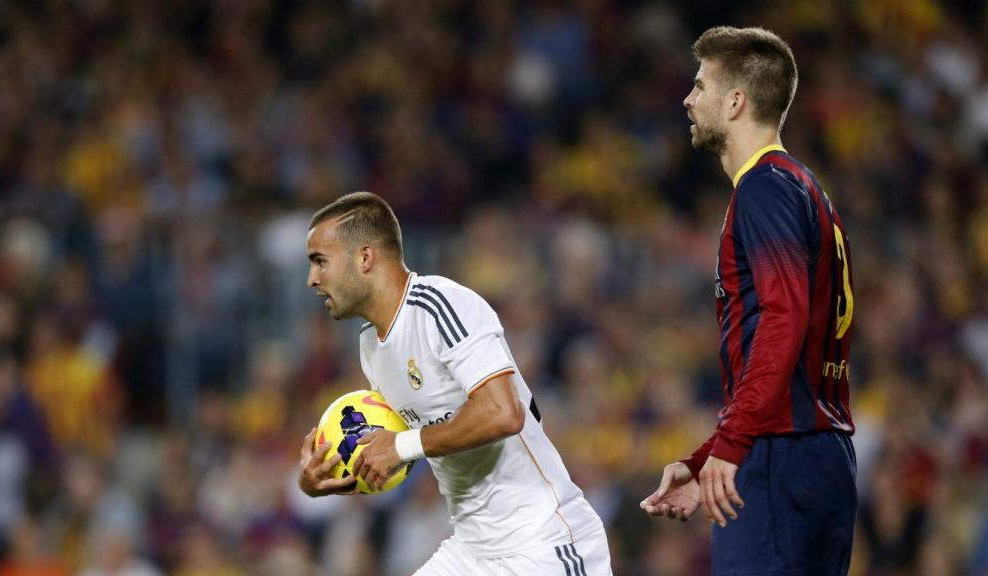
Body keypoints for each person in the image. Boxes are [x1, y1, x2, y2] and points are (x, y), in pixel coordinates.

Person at [297, 192, 612, 575]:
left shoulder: (443, 306)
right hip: (471, 551)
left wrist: (400, 445)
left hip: (543, 545)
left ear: (364, 257)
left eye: (320, 262)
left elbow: (503, 413)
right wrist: (334, 477)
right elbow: (400, 450)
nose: (312, 279)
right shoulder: (370, 346)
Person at [640, 26, 858, 575]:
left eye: (700, 86)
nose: (689, 100)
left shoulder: (763, 187)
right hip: (817, 453)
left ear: (735, 101)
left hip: (781, 459)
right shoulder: (807, 190)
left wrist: (733, 448)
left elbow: (783, 320)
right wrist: (706, 458)